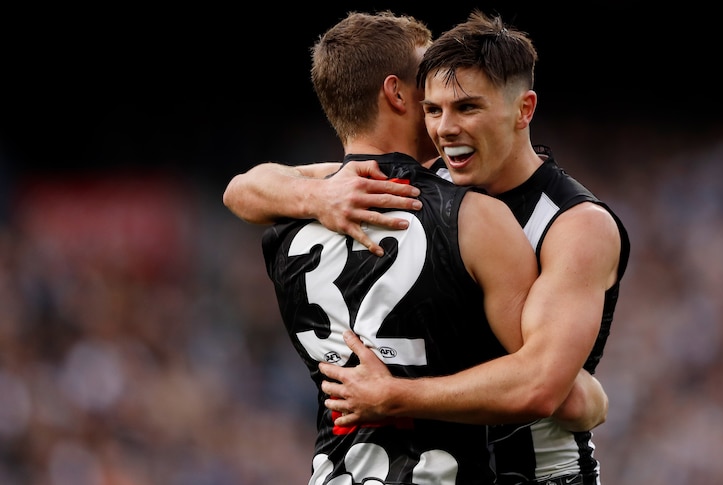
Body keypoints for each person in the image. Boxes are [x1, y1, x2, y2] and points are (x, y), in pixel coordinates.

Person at [223, 11, 621, 485]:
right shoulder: (395, 189)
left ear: (523, 110)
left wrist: (394, 393)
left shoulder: (574, 225)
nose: (444, 128)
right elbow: (241, 188)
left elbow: (544, 387)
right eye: (432, 108)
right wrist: (320, 196)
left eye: (467, 108)